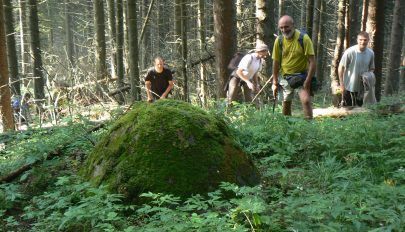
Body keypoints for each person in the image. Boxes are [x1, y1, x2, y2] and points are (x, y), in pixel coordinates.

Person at [271, 15, 316, 119]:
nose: (284, 30)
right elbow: (276, 62)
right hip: (285, 76)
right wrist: (274, 81)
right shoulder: (279, 41)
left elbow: (312, 62)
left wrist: (308, 80)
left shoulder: (303, 39)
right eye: (281, 27)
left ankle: (309, 125)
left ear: (293, 25)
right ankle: (287, 125)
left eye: (286, 27)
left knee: (305, 100)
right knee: (286, 102)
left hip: (301, 75)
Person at [338, 31, 375, 107]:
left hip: (362, 89)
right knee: (347, 110)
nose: (362, 42)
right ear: (357, 40)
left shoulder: (371, 53)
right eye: (360, 39)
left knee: (359, 110)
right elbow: (341, 67)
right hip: (349, 87)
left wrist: (367, 77)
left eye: (365, 40)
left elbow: (372, 68)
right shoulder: (349, 52)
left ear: (368, 40)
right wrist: (341, 84)